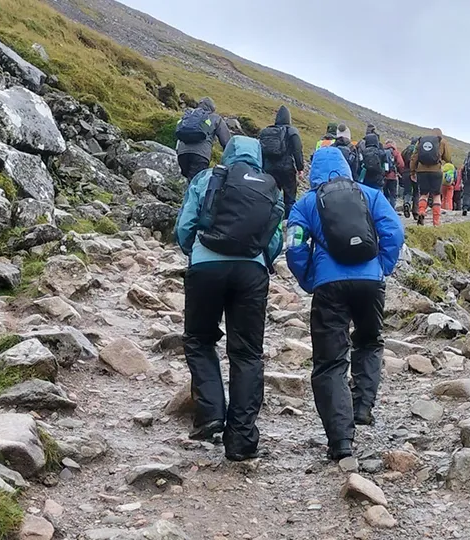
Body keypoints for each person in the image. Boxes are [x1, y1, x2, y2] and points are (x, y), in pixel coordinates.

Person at [285, 145, 405, 462]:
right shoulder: (371, 195)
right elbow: (394, 231)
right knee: (368, 341)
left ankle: (340, 442)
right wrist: (382, 266)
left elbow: (295, 246)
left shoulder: (305, 203)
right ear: (346, 167)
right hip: (370, 283)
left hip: (328, 286)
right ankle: (362, 407)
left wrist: (308, 278)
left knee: (330, 362)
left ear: (314, 172)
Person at [173, 135, 286, 462]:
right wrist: (260, 261)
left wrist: (196, 252)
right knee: (247, 353)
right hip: (251, 273)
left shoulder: (208, 177)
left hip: (206, 268)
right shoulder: (269, 187)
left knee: (199, 339)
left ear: (228, 153)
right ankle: (241, 441)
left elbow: (185, 226)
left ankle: (210, 413)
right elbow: (274, 239)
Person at [258, 106, 307, 210]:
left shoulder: (267, 131)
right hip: (286, 170)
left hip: (269, 169)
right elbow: (297, 150)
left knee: (270, 196)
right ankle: (287, 219)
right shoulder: (292, 131)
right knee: (289, 199)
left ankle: (268, 217)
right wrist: (300, 169)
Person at [174, 98, 232, 180]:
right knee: (196, 181)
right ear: (212, 107)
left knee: (188, 179)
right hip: (201, 155)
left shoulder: (189, 115)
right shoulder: (215, 118)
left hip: (182, 153)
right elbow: (226, 141)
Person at [408, 130, 451, 226]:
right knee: (436, 195)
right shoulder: (442, 141)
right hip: (436, 171)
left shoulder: (421, 141)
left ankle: (421, 211)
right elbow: (448, 158)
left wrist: (412, 171)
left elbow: (414, 157)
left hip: (421, 171)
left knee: (423, 194)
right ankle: (436, 221)